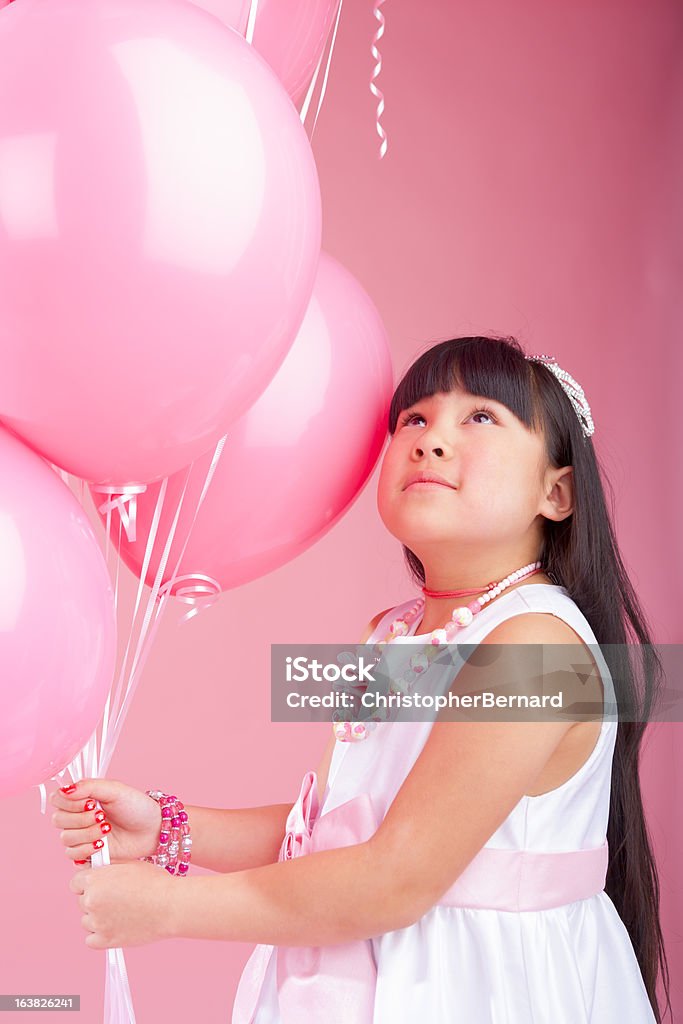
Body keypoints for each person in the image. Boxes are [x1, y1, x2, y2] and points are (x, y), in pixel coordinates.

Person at [51, 335, 671, 1023]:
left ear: (555, 492)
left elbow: (393, 877)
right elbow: (338, 838)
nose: (431, 440)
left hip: (480, 991)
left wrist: (168, 907)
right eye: (414, 418)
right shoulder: (394, 633)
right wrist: (169, 830)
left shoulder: (537, 646)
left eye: (480, 417)